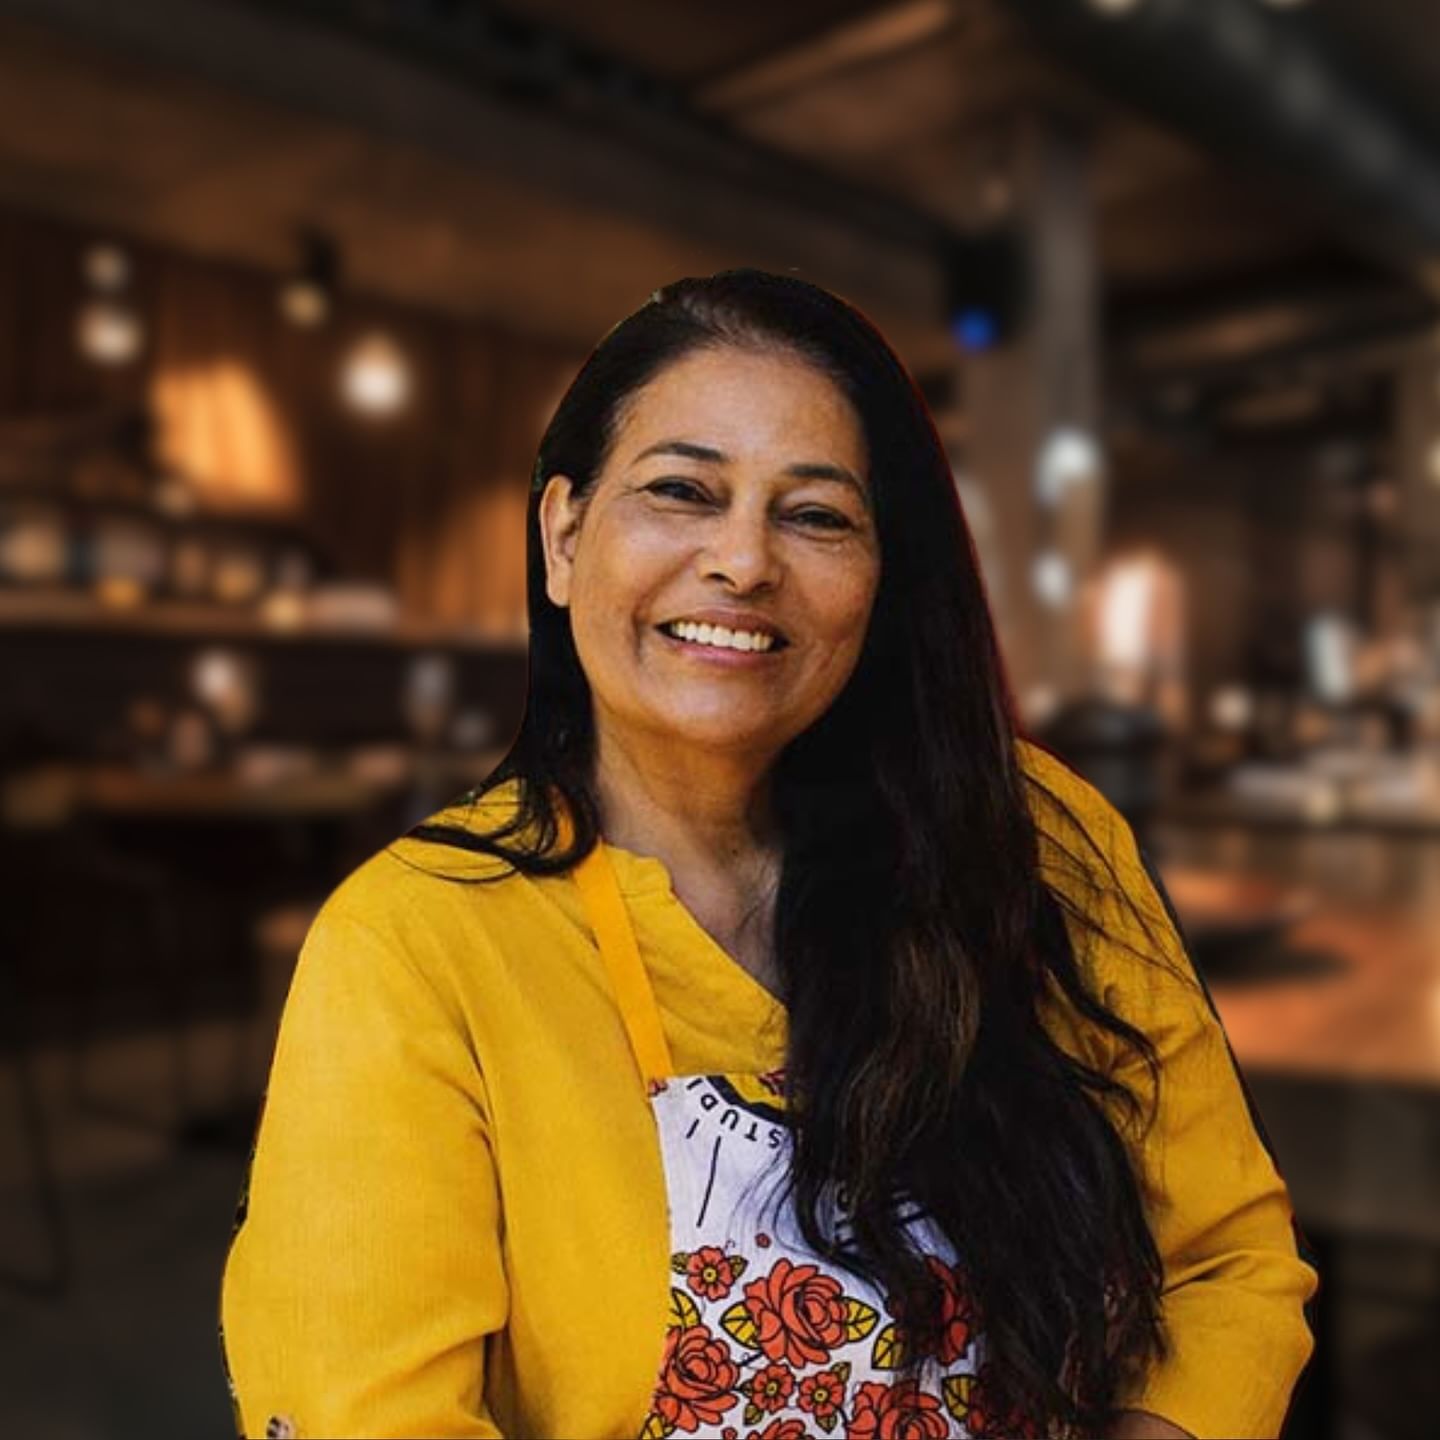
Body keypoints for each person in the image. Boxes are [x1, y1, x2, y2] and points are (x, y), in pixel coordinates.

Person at [220, 270, 1317, 1440]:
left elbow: (1228, 1265)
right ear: (563, 536)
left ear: (880, 575)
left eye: (816, 515)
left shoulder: (1033, 838)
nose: (744, 562)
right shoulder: (418, 945)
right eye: (683, 491)